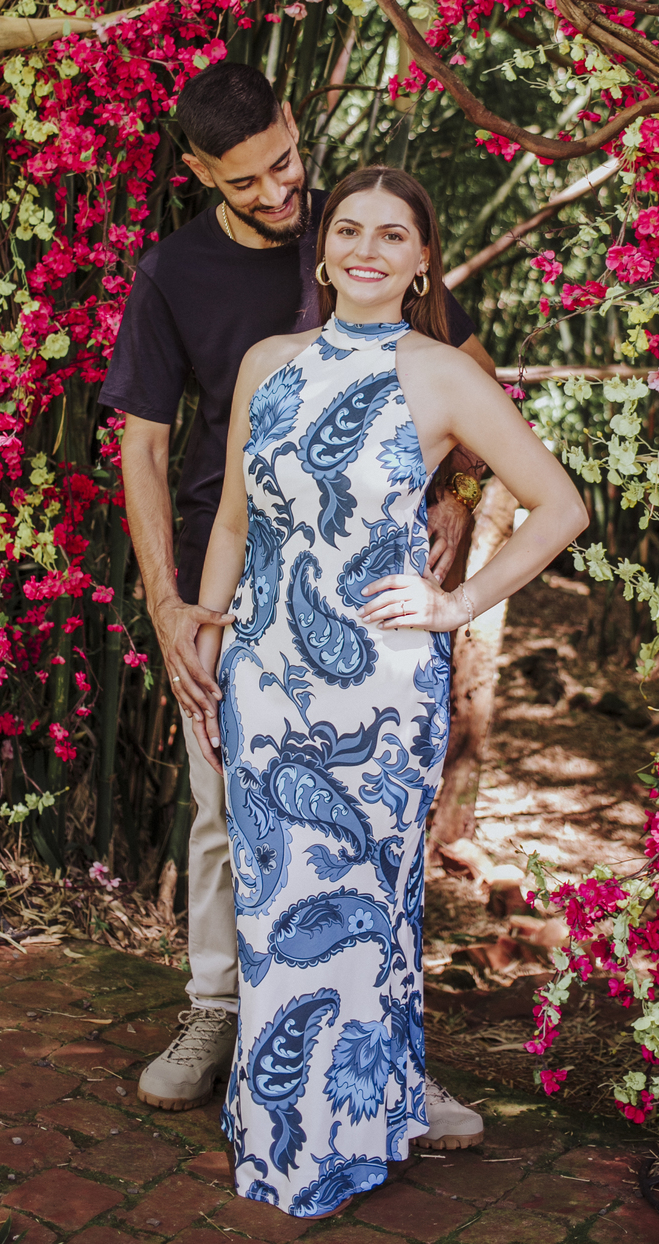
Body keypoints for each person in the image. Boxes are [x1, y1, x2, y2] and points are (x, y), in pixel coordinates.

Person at [100, 64, 493, 1143]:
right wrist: (171, 606)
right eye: (248, 181)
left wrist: (457, 504)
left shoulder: (363, 229)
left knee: (374, 834)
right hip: (231, 584)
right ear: (199, 173)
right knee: (226, 812)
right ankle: (216, 1012)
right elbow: (142, 446)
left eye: (285, 163)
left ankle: (388, 1058)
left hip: (368, 600)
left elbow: (469, 380)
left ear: (292, 122)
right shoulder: (174, 274)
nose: (280, 193)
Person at [191, 166, 589, 1217]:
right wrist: (207, 641)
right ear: (322, 252)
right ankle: (288, 1125)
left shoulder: (446, 375)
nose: (367, 248)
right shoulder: (267, 364)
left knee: (365, 912)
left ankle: (337, 1143)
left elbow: (560, 507)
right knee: (276, 911)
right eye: (349, 229)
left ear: (421, 264)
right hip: (263, 681)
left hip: (377, 694)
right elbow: (233, 522)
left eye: (393, 234)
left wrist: (458, 605)